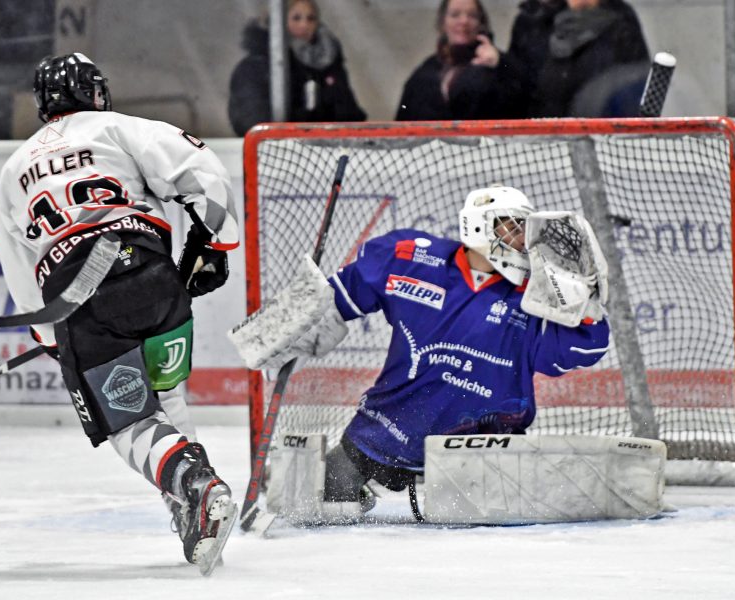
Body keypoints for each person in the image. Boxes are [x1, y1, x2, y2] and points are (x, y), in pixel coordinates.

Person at [0, 53, 239, 574]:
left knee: (129, 420)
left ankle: (195, 485)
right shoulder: (120, 128)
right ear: (96, 91)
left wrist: (51, 337)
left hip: (83, 296)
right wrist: (215, 245)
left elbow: (20, 274)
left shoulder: (15, 168)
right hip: (153, 279)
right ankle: (191, 511)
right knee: (166, 400)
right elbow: (208, 174)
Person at [232, 185, 611, 510]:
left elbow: (577, 352)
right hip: (384, 433)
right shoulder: (412, 258)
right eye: (511, 227)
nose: (520, 240)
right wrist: (293, 324)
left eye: (522, 231)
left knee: (484, 545)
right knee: (317, 505)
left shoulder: (532, 296)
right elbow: (338, 299)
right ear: (479, 226)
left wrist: (588, 307)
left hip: (485, 449)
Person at [228, 0, 367, 136]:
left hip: (325, 150)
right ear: (278, 22)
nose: (304, 24)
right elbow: (251, 119)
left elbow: (349, 113)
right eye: (296, 18)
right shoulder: (255, 67)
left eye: (311, 18)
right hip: (274, 150)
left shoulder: (329, 65)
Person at [395, 0, 529, 120]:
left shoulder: (501, 64)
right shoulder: (425, 72)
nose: (464, 21)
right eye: (455, 15)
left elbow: (524, 102)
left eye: (472, 15)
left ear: (481, 23)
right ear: (443, 23)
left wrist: (500, 65)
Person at [528, 0, 649, 117]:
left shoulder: (622, 24)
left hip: (603, 132)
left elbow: (636, 95)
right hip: (543, 134)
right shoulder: (536, 23)